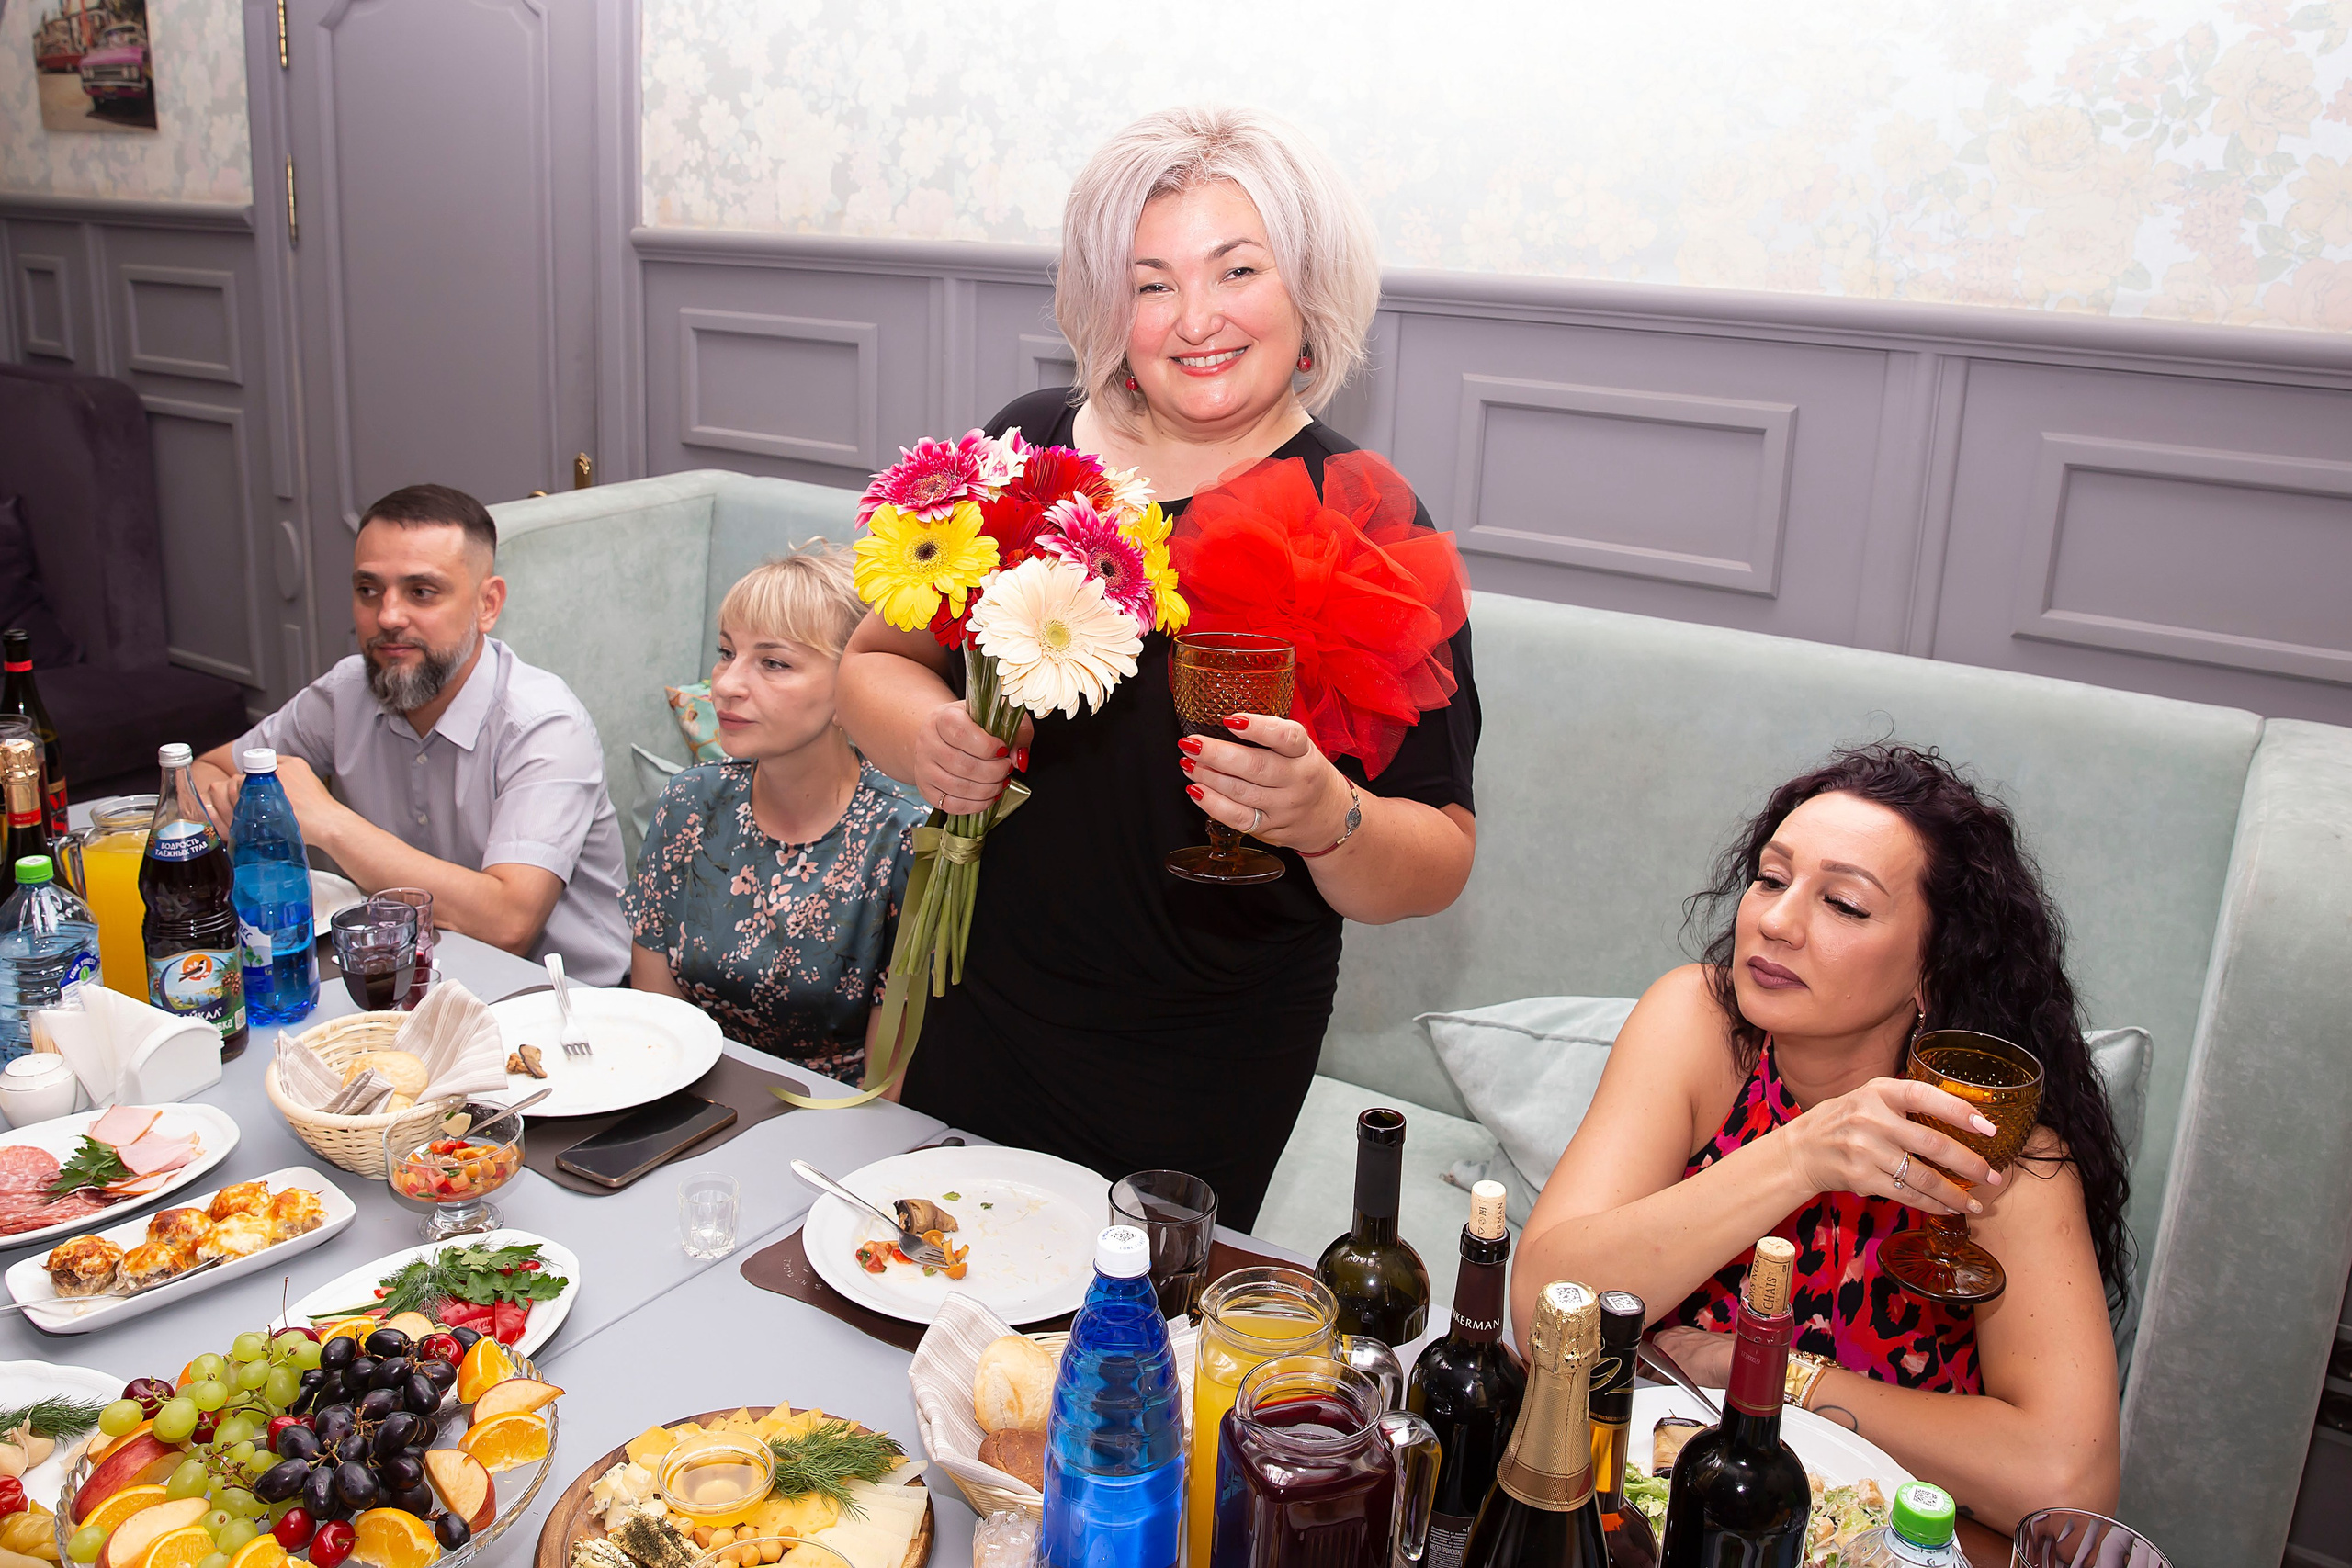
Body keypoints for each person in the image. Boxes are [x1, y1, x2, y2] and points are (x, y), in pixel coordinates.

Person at [837, 107, 1480, 1230]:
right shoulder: (1034, 451)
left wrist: (1329, 815)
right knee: (926, 1300)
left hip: (1204, 1052)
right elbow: (873, 663)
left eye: (1237, 269)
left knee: (1122, 1366)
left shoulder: (1365, 518)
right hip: (975, 996)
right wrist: (923, 734)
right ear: (1108, 305)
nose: (1196, 320)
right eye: (1151, 284)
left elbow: (1436, 859)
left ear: (1306, 288)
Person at [1510, 745, 2129, 1529]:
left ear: (1932, 970)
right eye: (1771, 878)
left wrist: (1772, 1374)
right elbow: (1542, 1314)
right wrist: (1801, 1154)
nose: (1774, 920)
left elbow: (2068, 1486)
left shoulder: (1990, 1147)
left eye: (1843, 904)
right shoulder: (1701, 1027)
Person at [192, 484, 629, 984]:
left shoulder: (544, 727)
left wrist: (328, 822)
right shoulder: (345, 694)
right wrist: (235, 812)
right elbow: (209, 769)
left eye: (421, 592)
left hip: (568, 1010)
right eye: (368, 590)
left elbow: (510, 921)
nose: (387, 617)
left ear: (488, 604)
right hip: (401, 988)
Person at [627, 548, 924, 1083]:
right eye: (726, 653)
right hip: (687, 1099)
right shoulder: (689, 803)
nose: (725, 685)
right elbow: (656, 1023)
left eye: (773, 663)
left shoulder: (903, 838)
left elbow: (889, 1084)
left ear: (853, 687)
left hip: (835, 1129)